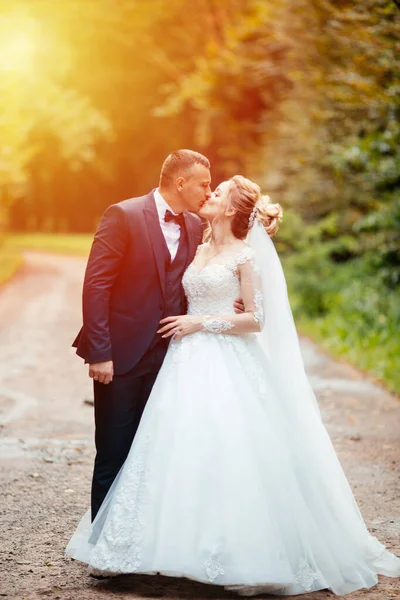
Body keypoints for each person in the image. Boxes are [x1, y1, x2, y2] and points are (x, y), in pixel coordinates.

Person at [67, 175, 400, 595]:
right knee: (172, 448)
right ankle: (155, 545)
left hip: (222, 358)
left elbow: (256, 319)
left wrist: (206, 320)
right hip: (183, 362)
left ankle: (230, 549)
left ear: (229, 209)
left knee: (228, 446)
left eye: (218, 191)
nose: (210, 193)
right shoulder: (200, 243)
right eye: (209, 185)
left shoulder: (245, 254)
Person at [73, 149, 242, 521]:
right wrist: (100, 352)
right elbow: (96, 286)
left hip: (172, 360)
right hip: (121, 356)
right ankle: (103, 545)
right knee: (114, 451)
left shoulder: (198, 227)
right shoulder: (124, 215)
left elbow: (206, 282)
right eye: (204, 184)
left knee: (155, 452)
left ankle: (141, 540)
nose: (209, 192)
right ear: (180, 183)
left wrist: (235, 306)